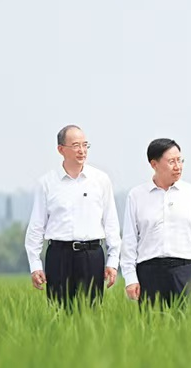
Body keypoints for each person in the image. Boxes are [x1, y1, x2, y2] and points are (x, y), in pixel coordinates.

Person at [24, 124, 121, 307]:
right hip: (59, 256)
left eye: (85, 145)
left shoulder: (100, 180)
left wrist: (113, 261)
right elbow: (36, 227)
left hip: (92, 255)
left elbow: (111, 223)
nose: (82, 150)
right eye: (76, 145)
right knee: (59, 312)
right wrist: (35, 265)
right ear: (61, 149)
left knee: (91, 314)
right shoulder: (47, 183)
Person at [120, 139, 191, 308]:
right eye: (171, 161)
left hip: (184, 270)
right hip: (149, 272)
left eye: (180, 160)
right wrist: (130, 277)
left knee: (187, 321)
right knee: (152, 322)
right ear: (154, 164)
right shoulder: (137, 195)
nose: (178, 166)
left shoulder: (190, 193)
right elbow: (129, 240)